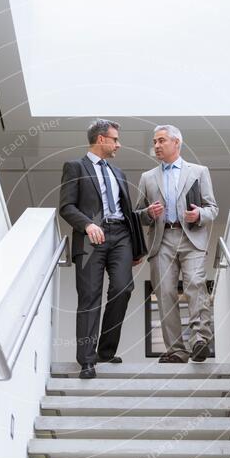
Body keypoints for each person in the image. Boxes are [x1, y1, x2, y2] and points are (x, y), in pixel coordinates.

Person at [59, 119, 140, 378]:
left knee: (123, 288)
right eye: (115, 139)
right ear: (101, 139)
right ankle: (87, 360)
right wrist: (86, 225)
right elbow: (67, 206)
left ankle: (106, 350)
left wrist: (136, 244)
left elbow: (125, 211)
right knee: (90, 297)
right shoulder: (75, 167)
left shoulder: (119, 173)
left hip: (120, 237)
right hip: (91, 238)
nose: (119, 144)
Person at [135, 125, 218, 363]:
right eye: (155, 141)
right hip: (162, 240)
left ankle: (200, 339)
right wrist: (148, 213)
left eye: (161, 141)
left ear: (177, 143)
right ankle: (176, 350)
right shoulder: (147, 177)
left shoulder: (199, 172)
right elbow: (137, 213)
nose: (157, 146)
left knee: (195, 284)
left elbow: (213, 208)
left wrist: (199, 214)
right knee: (165, 293)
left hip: (191, 236)